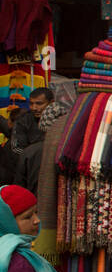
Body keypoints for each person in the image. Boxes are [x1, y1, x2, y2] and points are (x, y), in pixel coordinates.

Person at [29, 98, 69, 259]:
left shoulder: (30, 150)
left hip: (36, 210)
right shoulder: (58, 149)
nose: (34, 108)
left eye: (38, 103)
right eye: (32, 104)